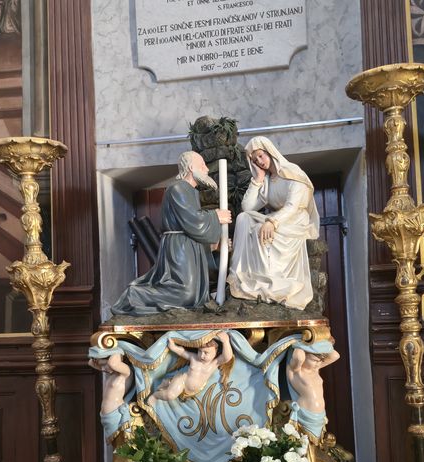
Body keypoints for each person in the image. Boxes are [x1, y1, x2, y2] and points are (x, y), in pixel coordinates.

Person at [112, 151, 231, 316]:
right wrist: (216, 216)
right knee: (185, 293)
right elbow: (192, 220)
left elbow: (189, 227)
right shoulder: (178, 188)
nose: (207, 169)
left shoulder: (190, 190)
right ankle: (135, 295)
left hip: (186, 244)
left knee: (191, 294)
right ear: (191, 167)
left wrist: (212, 245)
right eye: (203, 165)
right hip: (179, 247)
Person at [227, 136, 319, 310]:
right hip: (277, 218)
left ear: (269, 151)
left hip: (294, 220)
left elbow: (292, 207)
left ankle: (270, 280)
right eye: (255, 160)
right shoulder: (268, 180)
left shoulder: (293, 172)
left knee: (261, 230)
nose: (260, 162)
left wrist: (272, 221)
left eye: (261, 156)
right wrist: (258, 179)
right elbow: (247, 208)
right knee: (243, 218)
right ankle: (237, 273)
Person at [148, 331, 233, 405]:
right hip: (182, 380)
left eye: (206, 353)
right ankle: (155, 396)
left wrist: (226, 341)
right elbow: (182, 352)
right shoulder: (194, 358)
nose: (201, 355)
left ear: (216, 352)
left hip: (192, 391)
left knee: (172, 391)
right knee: (170, 395)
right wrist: (173, 347)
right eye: (200, 351)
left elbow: (227, 357)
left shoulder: (214, 363)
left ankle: (167, 382)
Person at [286, 344, 340, 444]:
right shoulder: (296, 371)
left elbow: (335, 355)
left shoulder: (315, 370)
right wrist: (304, 341)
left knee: (316, 445)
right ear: (304, 356)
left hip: (320, 415)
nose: (318, 363)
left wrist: (320, 340)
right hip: (306, 414)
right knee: (305, 444)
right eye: (314, 360)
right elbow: (298, 355)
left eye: (320, 360)